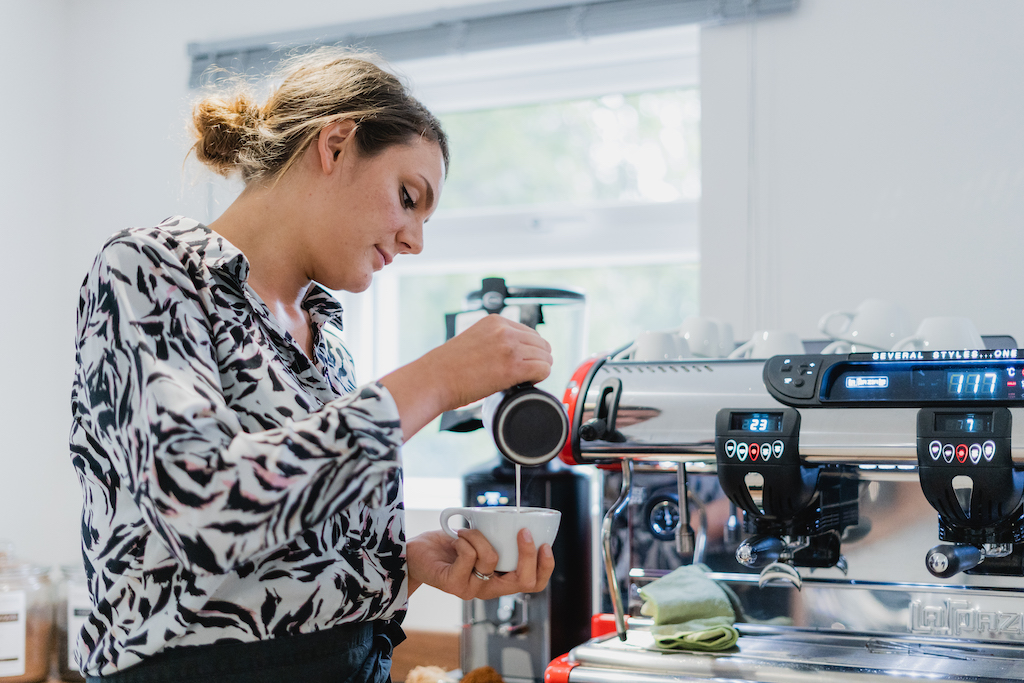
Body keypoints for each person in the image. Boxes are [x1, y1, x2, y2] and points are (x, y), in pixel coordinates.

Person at [69, 47, 555, 683]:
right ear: (335, 145)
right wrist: (434, 380)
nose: (416, 239)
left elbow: (284, 538)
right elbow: (203, 511)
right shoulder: (149, 272)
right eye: (409, 197)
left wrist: (403, 566)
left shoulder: (326, 342)